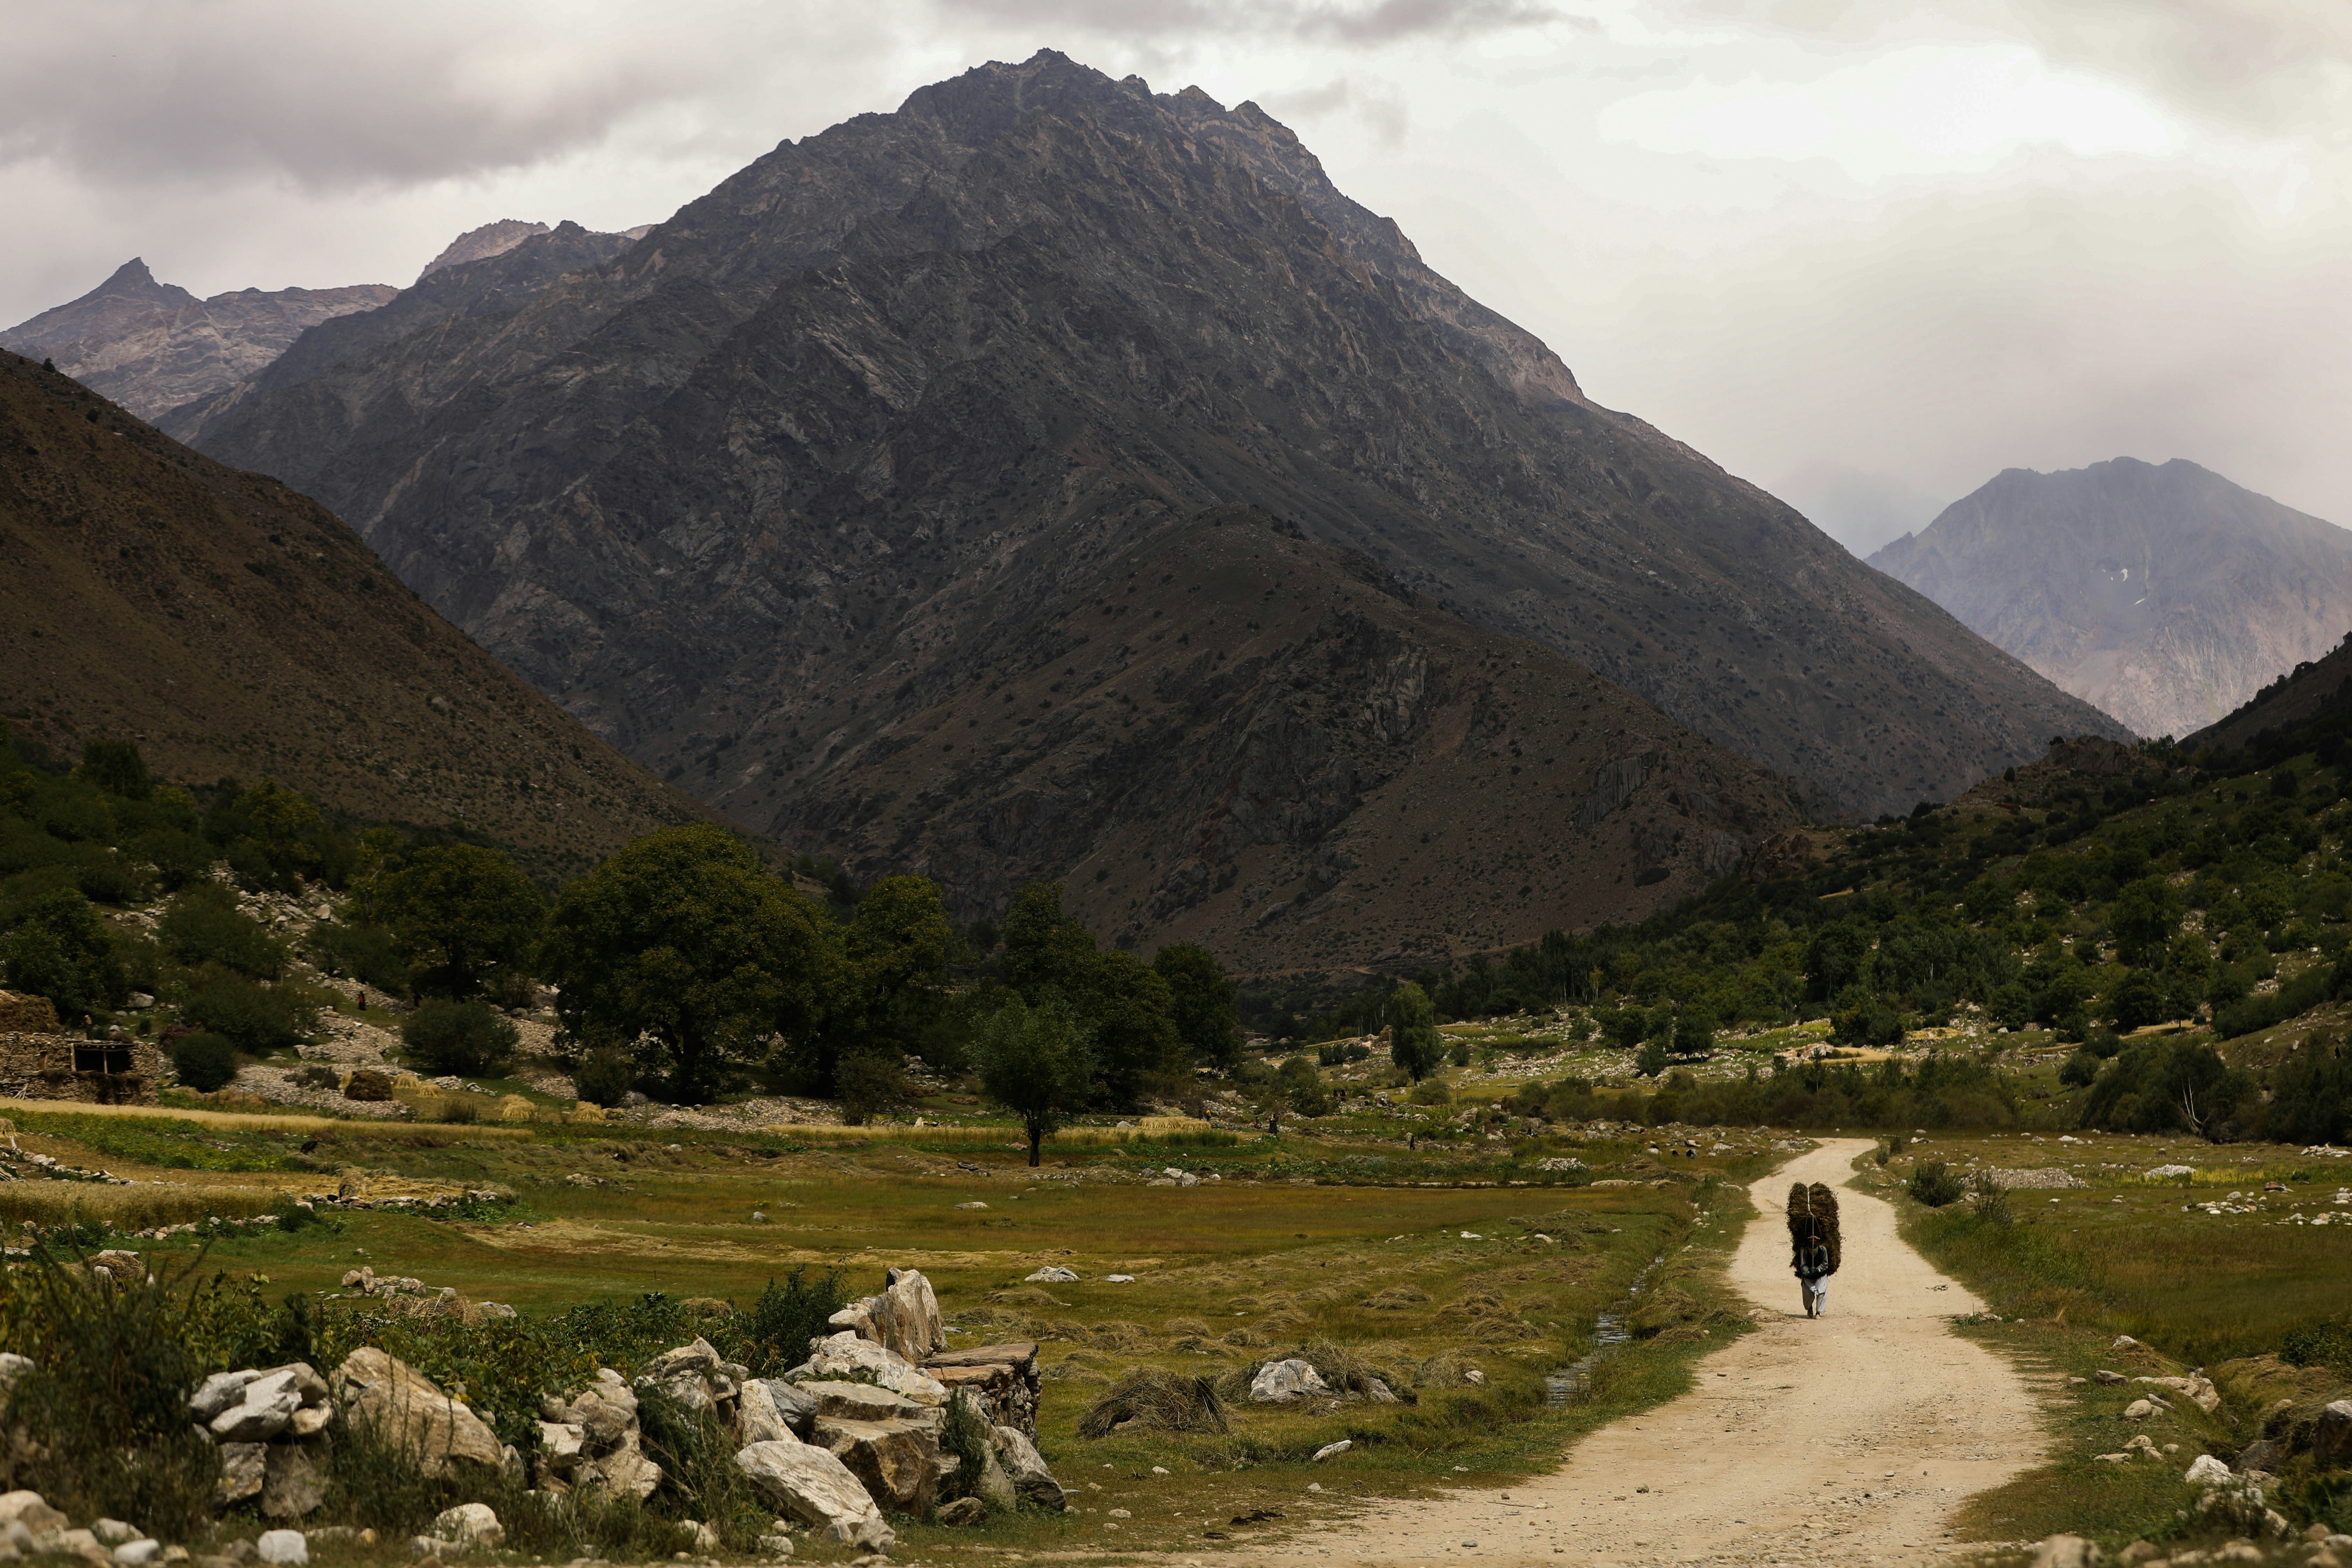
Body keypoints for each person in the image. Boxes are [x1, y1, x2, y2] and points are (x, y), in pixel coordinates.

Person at [1793, 1232, 1834, 1318]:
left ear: (1818, 1242)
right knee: (1808, 1295)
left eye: (1815, 1240)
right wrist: (1808, 1271)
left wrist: (1818, 1270)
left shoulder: (1823, 1250)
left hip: (1820, 1277)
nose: (1813, 1242)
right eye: (1811, 1240)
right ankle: (1810, 1307)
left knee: (1821, 1293)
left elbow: (1825, 1264)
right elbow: (1803, 1265)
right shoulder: (1804, 1250)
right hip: (1808, 1277)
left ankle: (1818, 1313)